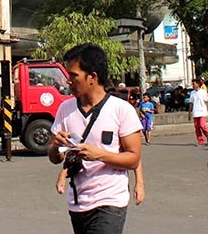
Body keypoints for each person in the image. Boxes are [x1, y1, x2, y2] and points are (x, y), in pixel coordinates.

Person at [48, 43, 143, 234]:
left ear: (92, 77)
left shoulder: (121, 110)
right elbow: (54, 157)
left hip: (110, 202)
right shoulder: (65, 110)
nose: (68, 81)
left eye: (73, 75)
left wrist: (99, 155)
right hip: (78, 202)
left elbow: (133, 158)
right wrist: (56, 145)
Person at [189, 78, 208, 145]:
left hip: (202, 112)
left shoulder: (203, 92)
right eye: (192, 84)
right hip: (195, 112)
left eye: (194, 84)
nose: (193, 85)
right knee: (197, 127)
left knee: (202, 125)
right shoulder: (192, 93)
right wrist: (189, 113)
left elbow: (207, 102)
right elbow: (191, 103)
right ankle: (200, 141)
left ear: (198, 84)